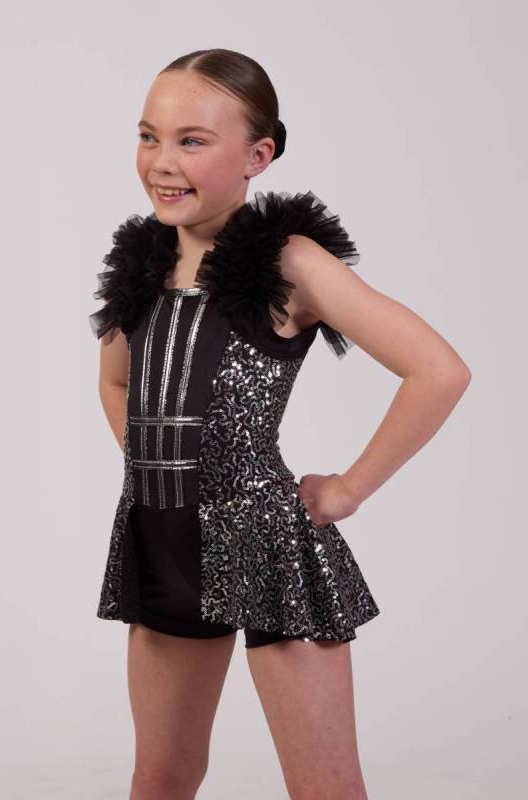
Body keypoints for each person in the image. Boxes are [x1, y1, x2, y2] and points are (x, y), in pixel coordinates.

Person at [89, 48, 471, 800]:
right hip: (160, 539)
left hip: (266, 544)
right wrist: (154, 468)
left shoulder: (289, 263)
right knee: (159, 779)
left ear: (257, 156)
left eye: (192, 140)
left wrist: (348, 490)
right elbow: (115, 379)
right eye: (148, 136)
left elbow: (438, 370)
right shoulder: (143, 263)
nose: (162, 161)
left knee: (325, 788)